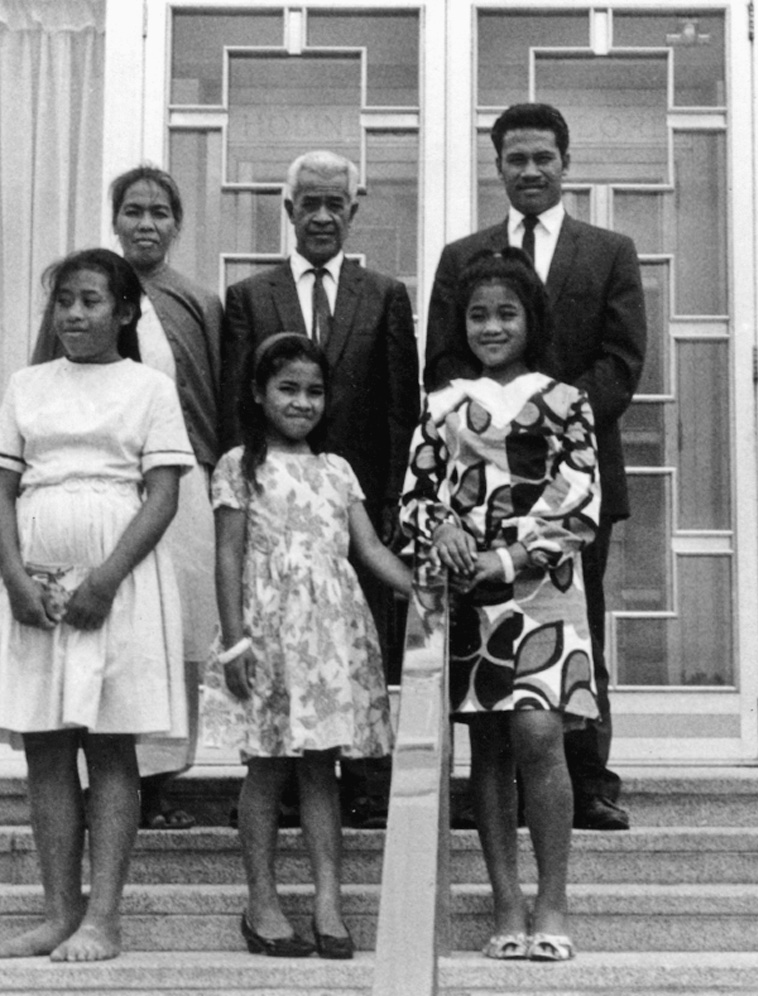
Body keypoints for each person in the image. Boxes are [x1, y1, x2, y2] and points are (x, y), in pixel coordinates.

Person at [0, 249, 195, 961]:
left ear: (123, 312)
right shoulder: (28, 385)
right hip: (34, 578)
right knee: (46, 744)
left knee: (109, 742)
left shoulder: (148, 388)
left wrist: (107, 579)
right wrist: (15, 579)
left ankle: (103, 919)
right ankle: (60, 909)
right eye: (64, 302)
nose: (75, 315)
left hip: (118, 579)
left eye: (90, 301)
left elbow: (164, 493)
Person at [424, 103, 645, 832]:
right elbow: (445, 363)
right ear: (498, 167)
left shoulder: (608, 250)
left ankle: (588, 781)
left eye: (542, 158)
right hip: (479, 486)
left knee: (577, 624)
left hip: (570, 479)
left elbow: (621, 362)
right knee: (483, 629)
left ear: (565, 161)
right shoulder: (465, 257)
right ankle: (490, 782)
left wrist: (549, 421)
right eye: (514, 159)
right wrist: (496, 432)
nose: (529, 171)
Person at [402, 248, 600, 961]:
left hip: (542, 589)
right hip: (470, 599)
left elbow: (579, 501)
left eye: (506, 313)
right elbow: (415, 498)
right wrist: (445, 528)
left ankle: (553, 900)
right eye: (479, 314)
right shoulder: (445, 404)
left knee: (539, 736)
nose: (491, 326)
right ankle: (507, 903)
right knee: (487, 743)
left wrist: (509, 555)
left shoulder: (565, 400)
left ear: (530, 320)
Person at [220, 149, 419, 827]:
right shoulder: (250, 296)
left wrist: (391, 504)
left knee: (357, 652)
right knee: (279, 654)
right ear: (289, 210)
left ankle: (364, 783)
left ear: (355, 210)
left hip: (352, 509)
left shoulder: (385, 296)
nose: (325, 215)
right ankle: (271, 784)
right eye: (312, 203)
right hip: (271, 511)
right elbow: (231, 408)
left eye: (338, 203)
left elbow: (402, 409)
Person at [202, 333, 411, 958]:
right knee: (266, 767)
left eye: (314, 391)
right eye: (287, 389)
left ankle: (328, 901)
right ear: (259, 393)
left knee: (324, 768)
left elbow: (369, 549)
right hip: (267, 635)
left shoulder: (336, 470)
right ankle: (261, 901)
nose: (301, 402)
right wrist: (235, 644)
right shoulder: (239, 465)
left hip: (328, 639)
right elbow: (228, 556)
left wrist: (422, 590)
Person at [32, 165, 223, 830]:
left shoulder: (199, 301)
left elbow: (216, 396)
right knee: (99, 629)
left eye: (160, 213)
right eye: (134, 211)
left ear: (177, 223)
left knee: (175, 633)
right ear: (115, 218)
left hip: (181, 487)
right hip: (94, 497)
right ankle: (95, 776)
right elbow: (43, 385)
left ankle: (161, 781)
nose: (146, 224)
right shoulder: (86, 294)